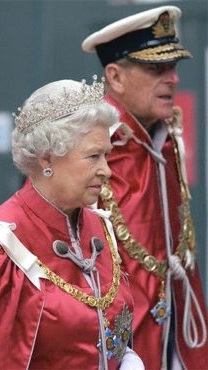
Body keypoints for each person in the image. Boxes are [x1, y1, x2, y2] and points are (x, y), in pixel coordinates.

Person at [0, 77, 145, 370]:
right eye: (93, 156)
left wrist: (127, 359)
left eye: (106, 155)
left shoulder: (100, 229)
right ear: (47, 158)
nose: (106, 170)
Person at [82, 6, 208, 370]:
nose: (172, 79)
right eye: (156, 69)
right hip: (117, 350)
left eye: (174, 67)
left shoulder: (164, 139)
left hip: (175, 341)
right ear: (115, 76)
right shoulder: (88, 148)